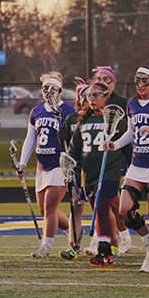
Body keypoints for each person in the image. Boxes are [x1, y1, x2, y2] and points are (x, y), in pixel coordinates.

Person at [104, 66, 149, 273]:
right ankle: (148, 240)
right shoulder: (131, 103)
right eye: (137, 81)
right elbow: (131, 133)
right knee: (125, 210)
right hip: (137, 164)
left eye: (144, 81)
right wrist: (115, 144)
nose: (140, 85)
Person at [69, 82, 129, 266]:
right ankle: (110, 244)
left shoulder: (116, 120)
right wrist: (71, 169)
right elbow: (75, 150)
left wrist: (130, 169)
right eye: (89, 96)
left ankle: (104, 251)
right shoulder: (83, 121)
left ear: (106, 96)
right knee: (98, 210)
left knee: (102, 209)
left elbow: (127, 146)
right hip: (90, 174)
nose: (92, 100)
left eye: (96, 95)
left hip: (110, 171)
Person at [17, 72, 76, 258]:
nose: (48, 92)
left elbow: (76, 139)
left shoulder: (68, 110)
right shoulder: (37, 111)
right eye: (45, 88)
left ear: (60, 91)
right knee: (45, 209)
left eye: (52, 89)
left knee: (50, 206)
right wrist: (23, 162)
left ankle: (46, 247)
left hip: (60, 164)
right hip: (42, 165)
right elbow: (30, 138)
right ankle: (74, 232)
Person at [84, 66, 132, 256]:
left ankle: (107, 240)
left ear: (114, 83)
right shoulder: (93, 102)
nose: (103, 82)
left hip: (116, 159)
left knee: (109, 201)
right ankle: (114, 238)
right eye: (99, 78)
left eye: (107, 79)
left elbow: (128, 133)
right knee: (105, 202)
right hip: (95, 161)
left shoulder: (122, 102)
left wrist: (128, 162)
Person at [58, 82, 90, 260]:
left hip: (93, 168)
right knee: (76, 206)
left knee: (101, 207)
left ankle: (106, 242)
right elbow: (69, 148)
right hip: (76, 170)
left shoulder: (96, 118)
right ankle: (73, 244)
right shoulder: (71, 119)